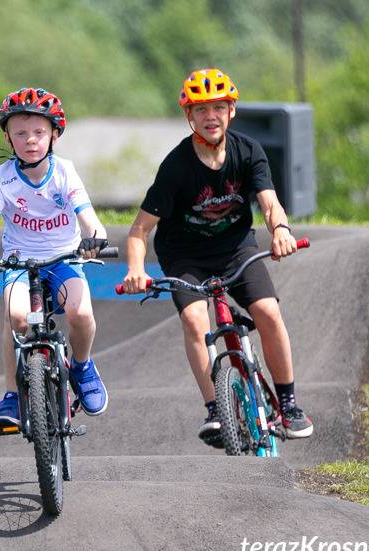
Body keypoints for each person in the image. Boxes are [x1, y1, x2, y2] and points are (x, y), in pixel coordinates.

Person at [119, 68, 313, 445]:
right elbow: (139, 230)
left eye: (219, 107)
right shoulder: (175, 167)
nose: (211, 116)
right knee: (195, 319)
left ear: (231, 112)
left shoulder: (248, 151)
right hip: (184, 257)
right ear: (189, 116)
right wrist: (135, 269)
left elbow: (269, 202)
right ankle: (215, 409)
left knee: (268, 311)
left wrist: (281, 231)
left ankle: (288, 403)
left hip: (235, 249)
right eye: (201, 109)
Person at [0, 87, 110, 429]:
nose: (30, 140)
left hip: (64, 259)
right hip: (19, 264)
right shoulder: (2, 178)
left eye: (39, 132)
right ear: (8, 139)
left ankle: (82, 368)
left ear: (54, 135)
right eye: (20, 133)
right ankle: (12, 395)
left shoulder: (65, 172)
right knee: (16, 317)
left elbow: (88, 217)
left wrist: (95, 237)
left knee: (80, 313)